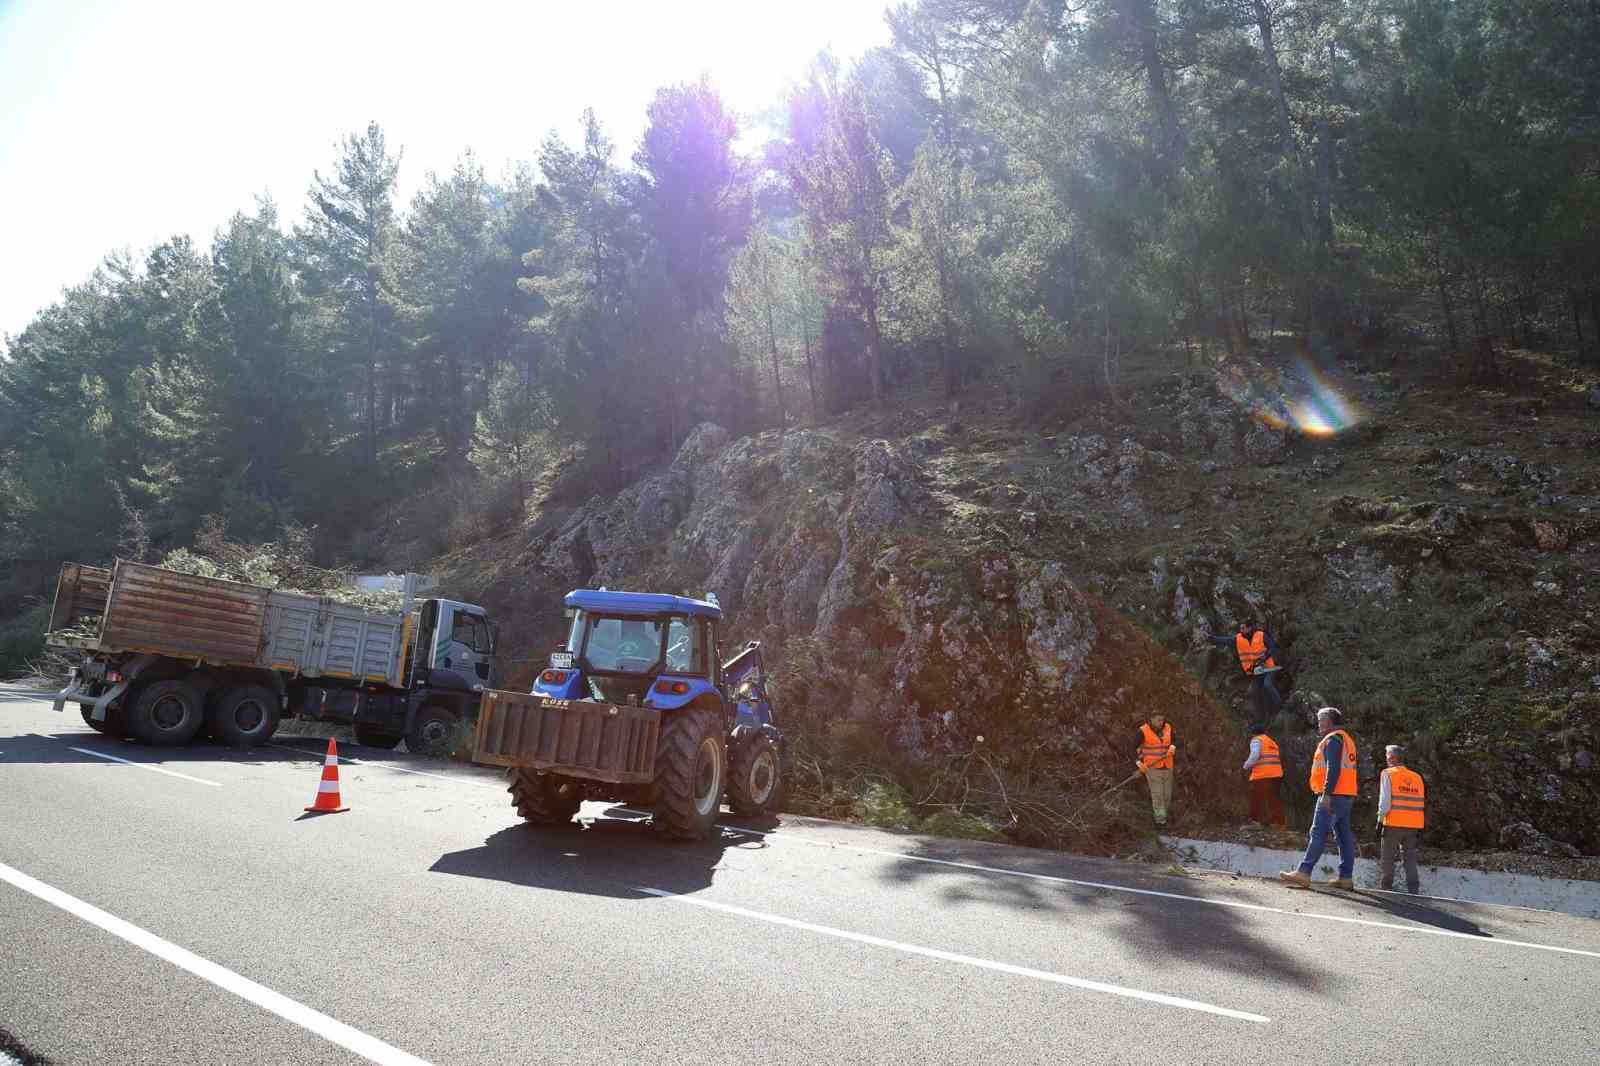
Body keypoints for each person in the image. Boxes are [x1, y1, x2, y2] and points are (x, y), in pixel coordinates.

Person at [1279, 707, 1359, 890]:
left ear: (1329, 721)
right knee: (1344, 837)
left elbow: (1334, 769)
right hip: (1346, 796)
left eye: (1321, 720)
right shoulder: (1346, 739)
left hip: (1333, 796)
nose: (1319, 723)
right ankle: (1345, 878)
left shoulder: (1333, 740)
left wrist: (1327, 793)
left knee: (1318, 833)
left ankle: (1304, 872)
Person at [1208, 619, 1284, 721]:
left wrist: (1265, 656)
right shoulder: (1238, 639)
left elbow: (1273, 647)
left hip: (1269, 668)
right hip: (1256, 672)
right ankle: (1260, 718)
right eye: (1240, 628)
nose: (1241, 630)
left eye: (1243, 628)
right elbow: (1225, 640)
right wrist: (1212, 638)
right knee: (1253, 692)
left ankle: (1280, 707)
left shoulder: (1261, 635)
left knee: (1267, 685)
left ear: (1249, 628)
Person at [1377, 744, 1425, 895]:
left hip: (1393, 823)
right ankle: (1414, 891)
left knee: (1387, 859)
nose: (1386, 759)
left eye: (1387, 756)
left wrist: (1379, 820)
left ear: (1392, 758)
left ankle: (1386, 890)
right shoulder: (1417, 777)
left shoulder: (1387, 773)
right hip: (1413, 825)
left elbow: (1384, 803)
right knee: (1409, 859)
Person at [1135, 713, 1178, 827]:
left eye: (1162, 720)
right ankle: (1160, 822)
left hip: (1168, 766)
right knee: (1157, 795)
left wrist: (1173, 746)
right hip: (1152, 768)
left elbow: (1177, 740)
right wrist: (1139, 763)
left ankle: (1164, 817)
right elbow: (1131, 747)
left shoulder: (1168, 727)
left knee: (1167, 796)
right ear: (1151, 719)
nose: (1161, 722)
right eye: (1158, 720)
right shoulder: (1142, 731)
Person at [1242, 723, 1287, 828]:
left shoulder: (1256, 740)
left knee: (1256, 798)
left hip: (1262, 775)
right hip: (1277, 775)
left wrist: (1245, 766)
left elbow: (1254, 756)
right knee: (1274, 799)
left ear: (1253, 733)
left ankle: (1255, 822)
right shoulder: (1272, 742)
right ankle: (1279, 823)